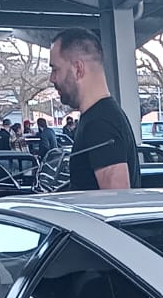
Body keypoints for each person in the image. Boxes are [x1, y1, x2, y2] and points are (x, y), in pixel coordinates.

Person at [48, 28, 139, 190]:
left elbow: (118, 202)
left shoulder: (100, 123)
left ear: (78, 69)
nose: (51, 78)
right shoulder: (100, 116)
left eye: (55, 69)